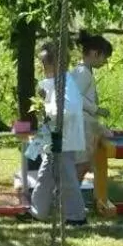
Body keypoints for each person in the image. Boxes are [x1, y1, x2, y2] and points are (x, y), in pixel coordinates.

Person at [27, 40, 88, 225]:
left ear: (55, 64)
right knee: (45, 175)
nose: (42, 67)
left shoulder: (65, 83)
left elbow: (67, 109)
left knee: (67, 178)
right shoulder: (56, 82)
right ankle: (38, 211)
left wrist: (48, 111)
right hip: (54, 137)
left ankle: (76, 216)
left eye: (44, 64)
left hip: (64, 138)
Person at [69, 32, 114, 181]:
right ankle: (68, 197)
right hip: (82, 124)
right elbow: (76, 97)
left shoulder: (80, 70)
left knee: (84, 163)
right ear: (95, 54)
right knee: (82, 164)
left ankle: (69, 195)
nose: (105, 62)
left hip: (82, 123)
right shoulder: (84, 73)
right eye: (105, 57)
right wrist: (97, 109)